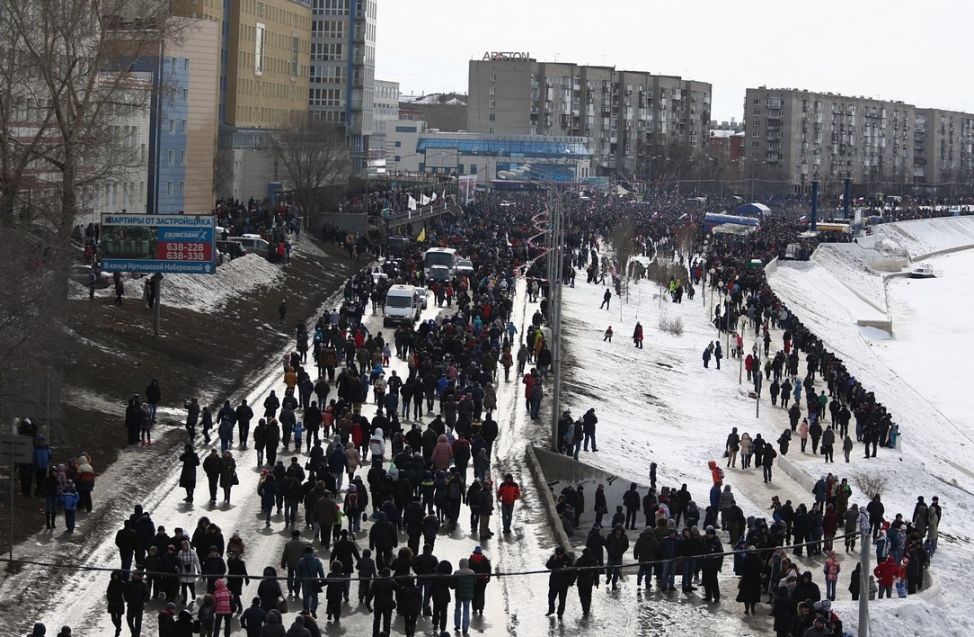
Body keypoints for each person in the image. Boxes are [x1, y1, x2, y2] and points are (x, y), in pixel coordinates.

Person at [545, 546, 574, 618]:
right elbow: (548, 566)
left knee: (562, 599)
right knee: (551, 598)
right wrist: (553, 560)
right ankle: (551, 610)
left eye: (560, 554)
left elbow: (572, 571)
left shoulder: (567, 560)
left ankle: (560, 613)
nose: (559, 556)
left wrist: (570, 581)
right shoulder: (553, 558)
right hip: (554, 582)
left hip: (563, 583)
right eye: (557, 554)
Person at [296, 546, 324, 615]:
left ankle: (306, 611)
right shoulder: (317, 560)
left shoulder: (301, 561)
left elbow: (298, 573)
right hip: (314, 581)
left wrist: (297, 581)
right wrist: (322, 580)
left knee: (305, 597)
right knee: (315, 597)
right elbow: (320, 571)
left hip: (305, 582)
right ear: (312, 552)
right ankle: (313, 608)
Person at [451, 558, 476, 634]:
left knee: (457, 609)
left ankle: (457, 625)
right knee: (466, 610)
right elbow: (474, 584)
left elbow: (453, 585)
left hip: (459, 594)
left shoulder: (456, 573)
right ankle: (465, 628)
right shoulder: (472, 573)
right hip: (468, 595)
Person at [573, 547, 599, 616]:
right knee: (588, 595)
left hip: (581, 580)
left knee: (582, 595)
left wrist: (572, 581)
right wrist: (596, 581)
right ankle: (587, 608)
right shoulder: (593, 561)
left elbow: (575, 571)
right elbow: (596, 572)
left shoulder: (580, 561)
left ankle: (585, 608)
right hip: (589, 580)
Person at [107, 571, 126, 637]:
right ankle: (118, 628)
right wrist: (109, 599)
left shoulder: (122, 583)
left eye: (116, 575)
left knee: (119, 618)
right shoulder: (111, 582)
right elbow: (108, 591)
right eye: (114, 575)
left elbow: (126, 591)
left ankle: (117, 632)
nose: (115, 576)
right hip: (112, 602)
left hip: (119, 602)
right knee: (113, 618)